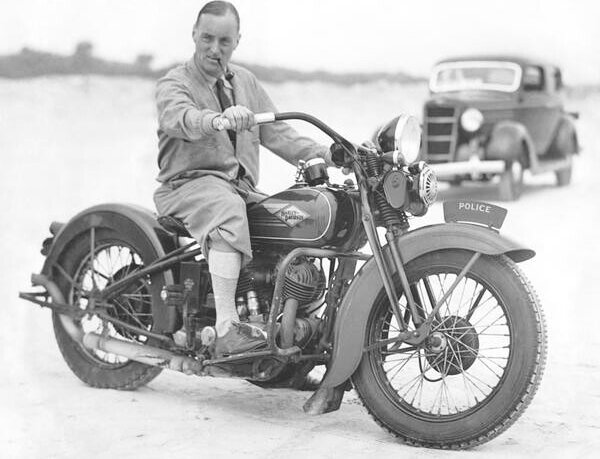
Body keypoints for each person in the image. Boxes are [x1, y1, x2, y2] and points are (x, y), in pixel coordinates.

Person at [153, 1, 330, 357]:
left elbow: (279, 134)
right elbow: (179, 117)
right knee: (229, 208)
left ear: (237, 42)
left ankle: (281, 324)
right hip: (186, 186)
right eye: (207, 38)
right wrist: (215, 120)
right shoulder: (175, 83)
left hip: (238, 189)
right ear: (194, 35)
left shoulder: (245, 82)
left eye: (224, 41)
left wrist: (331, 152)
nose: (214, 49)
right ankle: (226, 327)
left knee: (291, 215)